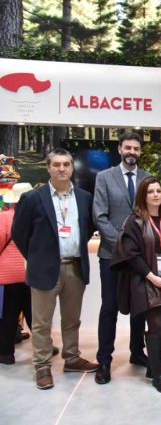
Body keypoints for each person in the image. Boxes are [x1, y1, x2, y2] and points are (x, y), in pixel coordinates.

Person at [12, 149, 98, 389]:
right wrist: (36, 257)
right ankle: (42, 366)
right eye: (57, 164)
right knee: (41, 323)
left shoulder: (84, 197)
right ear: (48, 168)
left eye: (66, 164)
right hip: (44, 269)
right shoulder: (32, 198)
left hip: (75, 267)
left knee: (72, 319)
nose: (62, 169)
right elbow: (19, 233)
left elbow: (88, 228)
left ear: (72, 168)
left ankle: (72, 358)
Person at [110, 177, 161, 394]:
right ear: (143, 195)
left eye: (158, 191)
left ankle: (153, 368)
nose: (156, 195)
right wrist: (152, 277)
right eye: (150, 192)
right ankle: (158, 375)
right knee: (156, 323)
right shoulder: (134, 222)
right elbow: (131, 255)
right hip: (145, 280)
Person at [93, 131, 150, 384]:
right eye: (128, 147)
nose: (132, 152)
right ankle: (104, 360)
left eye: (136, 148)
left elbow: (152, 215)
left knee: (140, 305)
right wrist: (123, 245)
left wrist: (137, 248)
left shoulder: (148, 178)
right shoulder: (104, 177)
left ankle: (137, 351)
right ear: (119, 149)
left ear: (140, 151)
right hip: (112, 255)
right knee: (110, 307)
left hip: (141, 256)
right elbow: (100, 216)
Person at [0, 183, 33, 365]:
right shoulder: (35, 216)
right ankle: (43, 348)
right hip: (32, 270)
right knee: (35, 313)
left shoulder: (5, 217)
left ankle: (6, 353)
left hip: (9, 273)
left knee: (9, 313)